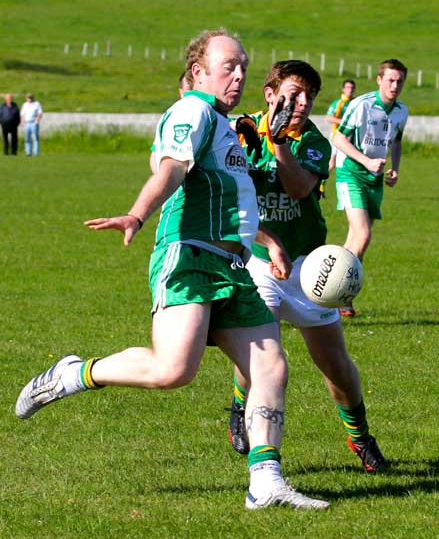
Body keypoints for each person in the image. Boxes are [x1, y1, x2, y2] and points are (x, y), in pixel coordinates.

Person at [15, 29, 330, 511]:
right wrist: (138, 214)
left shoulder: (225, 126)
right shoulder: (194, 111)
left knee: (270, 365)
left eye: (244, 65)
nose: (240, 74)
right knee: (172, 370)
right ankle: (74, 373)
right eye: (229, 66)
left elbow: (232, 202)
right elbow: (171, 171)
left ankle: (265, 480)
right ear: (199, 71)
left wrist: (268, 242)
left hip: (232, 264)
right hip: (189, 256)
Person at [228, 60, 388, 474]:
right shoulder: (240, 132)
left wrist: (280, 141)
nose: (302, 103)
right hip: (260, 265)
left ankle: (360, 437)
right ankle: (240, 406)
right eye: (294, 93)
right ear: (269, 94)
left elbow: (298, 187)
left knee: (336, 365)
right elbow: (230, 201)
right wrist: (266, 241)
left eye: (309, 96)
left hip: (309, 269)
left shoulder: (313, 141)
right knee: (261, 356)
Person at [333, 59, 408, 317]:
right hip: (351, 172)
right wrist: (366, 161)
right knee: (362, 235)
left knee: (357, 240)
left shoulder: (401, 111)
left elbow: (396, 141)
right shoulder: (361, 105)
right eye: (390, 80)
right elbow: (338, 138)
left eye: (399, 81)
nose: (394, 85)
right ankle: (339, 293)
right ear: (379, 80)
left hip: (374, 178)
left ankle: (337, 291)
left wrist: (395, 168)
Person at [325, 79, 356, 172]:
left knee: (349, 162)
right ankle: (320, 183)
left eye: (352, 88)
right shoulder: (338, 103)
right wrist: (343, 122)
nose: (350, 90)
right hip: (337, 135)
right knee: (332, 163)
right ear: (343, 89)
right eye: (347, 87)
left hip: (351, 137)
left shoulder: (355, 102)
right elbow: (328, 117)